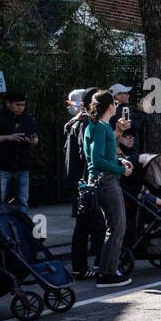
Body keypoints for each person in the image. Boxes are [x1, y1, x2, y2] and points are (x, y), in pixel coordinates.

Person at [82, 90, 134, 288]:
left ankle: (108, 270)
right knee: (117, 227)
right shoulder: (99, 127)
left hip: (105, 180)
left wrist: (121, 161)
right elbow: (96, 160)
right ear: (111, 106)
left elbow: (103, 155)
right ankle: (107, 273)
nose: (117, 105)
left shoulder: (99, 126)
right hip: (106, 181)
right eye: (114, 102)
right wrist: (121, 169)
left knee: (115, 227)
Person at [63, 89, 104, 277]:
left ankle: (79, 266)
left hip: (76, 179)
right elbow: (87, 154)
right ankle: (98, 264)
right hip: (86, 180)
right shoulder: (85, 124)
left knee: (82, 225)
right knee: (97, 224)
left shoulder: (74, 123)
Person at [0, 90, 38, 209]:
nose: (21, 108)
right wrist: (9, 137)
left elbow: (36, 138)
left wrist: (32, 140)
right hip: (3, 165)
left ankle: (23, 224)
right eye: (18, 105)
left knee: (23, 200)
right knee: (0, 198)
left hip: (23, 164)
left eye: (23, 105)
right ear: (8, 103)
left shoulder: (28, 118)